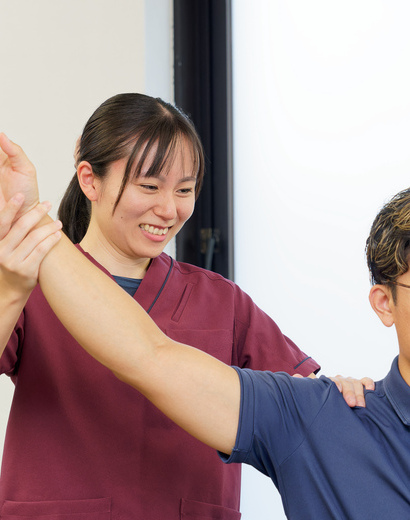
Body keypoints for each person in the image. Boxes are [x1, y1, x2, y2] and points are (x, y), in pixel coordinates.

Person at [0, 117, 371, 519]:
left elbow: (298, 408)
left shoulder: (223, 301)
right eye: (149, 186)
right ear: (90, 180)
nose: (168, 209)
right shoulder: (32, 281)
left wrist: (338, 394)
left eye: (184, 190)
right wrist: (12, 285)